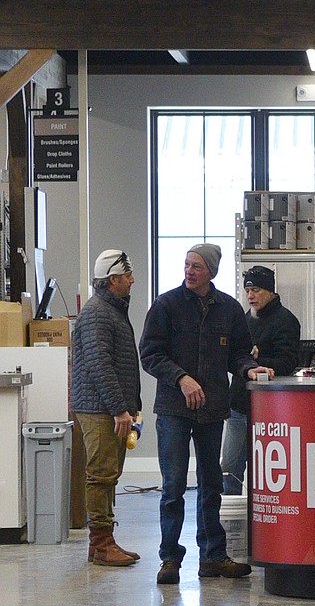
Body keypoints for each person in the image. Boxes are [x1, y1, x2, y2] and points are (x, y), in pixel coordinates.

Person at [139, 243, 272, 585]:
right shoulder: (166, 305)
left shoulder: (228, 309)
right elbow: (150, 353)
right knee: (173, 486)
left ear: (211, 271)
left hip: (212, 410)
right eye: (186, 265)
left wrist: (250, 370)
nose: (189, 271)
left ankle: (213, 556)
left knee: (212, 484)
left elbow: (239, 354)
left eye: (196, 266)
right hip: (174, 410)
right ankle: (170, 558)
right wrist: (181, 378)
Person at [71, 249, 142, 567]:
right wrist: (119, 409)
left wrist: (131, 406)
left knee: (109, 475)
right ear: (113, 279)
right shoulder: (98, 312)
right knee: (100, 475)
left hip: (109, 407)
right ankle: (101, 544)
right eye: (128, 275)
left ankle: (104, 541)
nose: (132, 280)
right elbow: (100, 365)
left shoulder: (111, 309)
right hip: (99, 409)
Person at [220, 265, 300, 495]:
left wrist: (258, 360)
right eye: (247, 291)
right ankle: (230, 520)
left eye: (255, 290)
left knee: (267, 470)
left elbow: (288, 363)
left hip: (269, 410)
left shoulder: (286, 321)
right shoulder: (245, 318)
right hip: (238, 404)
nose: (250, 296)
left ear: (270, 291)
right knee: (230, 468)